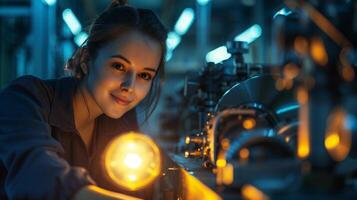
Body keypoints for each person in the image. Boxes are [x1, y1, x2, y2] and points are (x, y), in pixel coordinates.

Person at [0, 0, 167, 199]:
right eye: (119, 66)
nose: (129, 87)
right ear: (87, 59)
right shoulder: (25, 98)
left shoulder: (122, 121)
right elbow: (37, 175)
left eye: (144, 75)